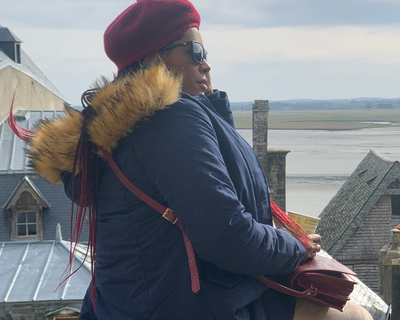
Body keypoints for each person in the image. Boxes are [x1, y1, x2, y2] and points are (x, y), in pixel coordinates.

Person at [23, 0, 372, 319]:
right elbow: (226, 236)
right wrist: (294, 245)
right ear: (155, 61)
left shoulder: (127, 131)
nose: (206, 63)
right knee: (355, 316)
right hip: (192, 305)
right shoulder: (169, 118)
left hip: (137, 303)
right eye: (195, 50)